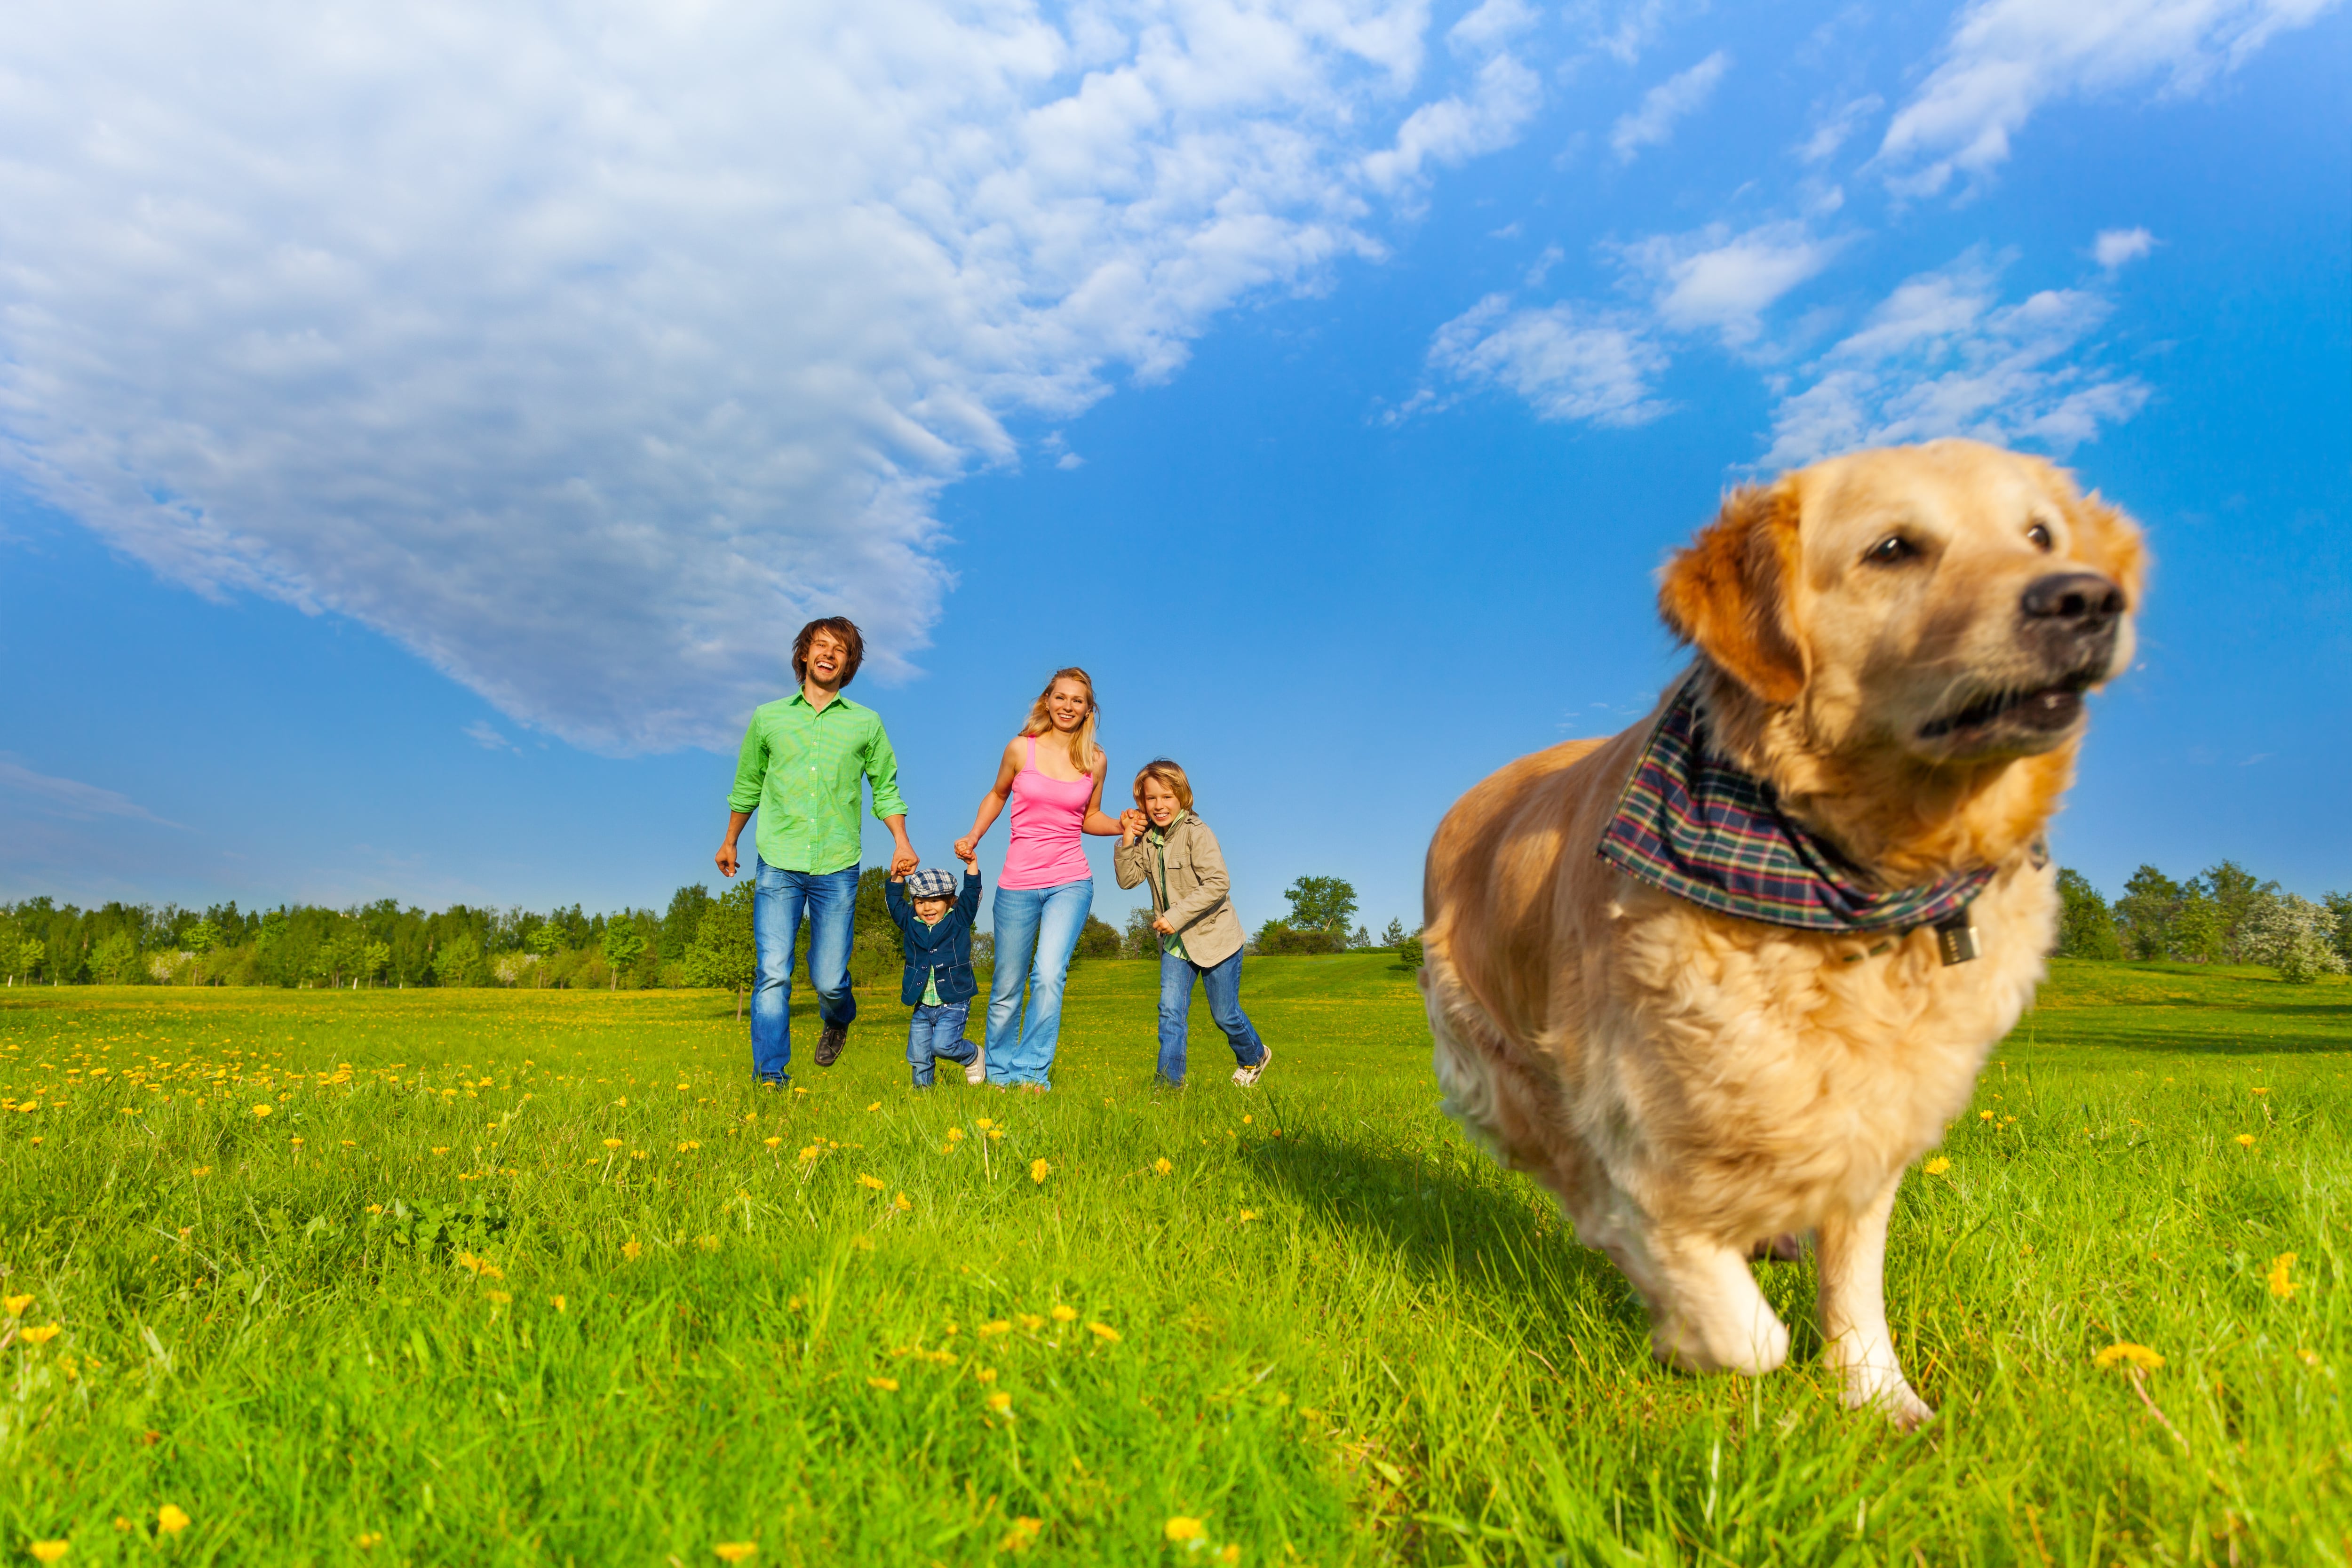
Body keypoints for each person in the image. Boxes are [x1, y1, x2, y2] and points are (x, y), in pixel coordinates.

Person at [715, 616, 919, 1085]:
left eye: (839, 649)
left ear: (849, 664)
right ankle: (770, 1077)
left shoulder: (866, 723)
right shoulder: (768, 718)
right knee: (772, 973)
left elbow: (884, 789)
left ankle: (838, 1016)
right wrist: (730, 840)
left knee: (828, 978)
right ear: (804, 655)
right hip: (778, 860)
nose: (828, 654)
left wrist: (901, 841)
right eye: (820, 646)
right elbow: (747, 784)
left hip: (837, 864)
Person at [953, 668, 1124, 1091]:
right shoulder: (1020, 749)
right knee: (1008, 984)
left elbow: (1090, 818)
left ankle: (1031, 1074)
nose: (1068, 706)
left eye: (1078, 700)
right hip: (1018, 883)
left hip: (1070, 880)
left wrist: (1122, 823)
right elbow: (998, 793)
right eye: (1061, 697)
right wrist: (974, 835)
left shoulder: (1096, 759)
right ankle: (999, 1074)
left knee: (1049, 974)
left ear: (1089, 709)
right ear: (1047, 700)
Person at [1114, 759, 1271, 1089]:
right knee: (1171, 1013)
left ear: (1182, 797)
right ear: (1141, 802)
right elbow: (1128, 879)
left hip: (1216, 938)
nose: (1159, 805)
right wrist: (1128, 837)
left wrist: (1174, 916)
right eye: (1151, 798)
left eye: (1167, 797)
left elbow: (1218, 882)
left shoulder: (1197, 833)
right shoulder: (1147, 839)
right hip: (1175, 945)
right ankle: (1169, 1086)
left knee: (1225, 1014)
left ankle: (1254, 1055)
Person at [883, 853, 986, 1088]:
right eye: (920, 902)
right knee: (919, 1056)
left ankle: (973, 1055)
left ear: (950, 901)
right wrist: (898, 876)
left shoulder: (960, 919)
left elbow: (972, 894)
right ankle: (923, 1098)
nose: (927, 908)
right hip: (922, 1003)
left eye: (935, 901)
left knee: (943, 1046)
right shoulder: (911, 921)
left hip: (954, 999)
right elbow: (894, 902)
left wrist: (972, 864)